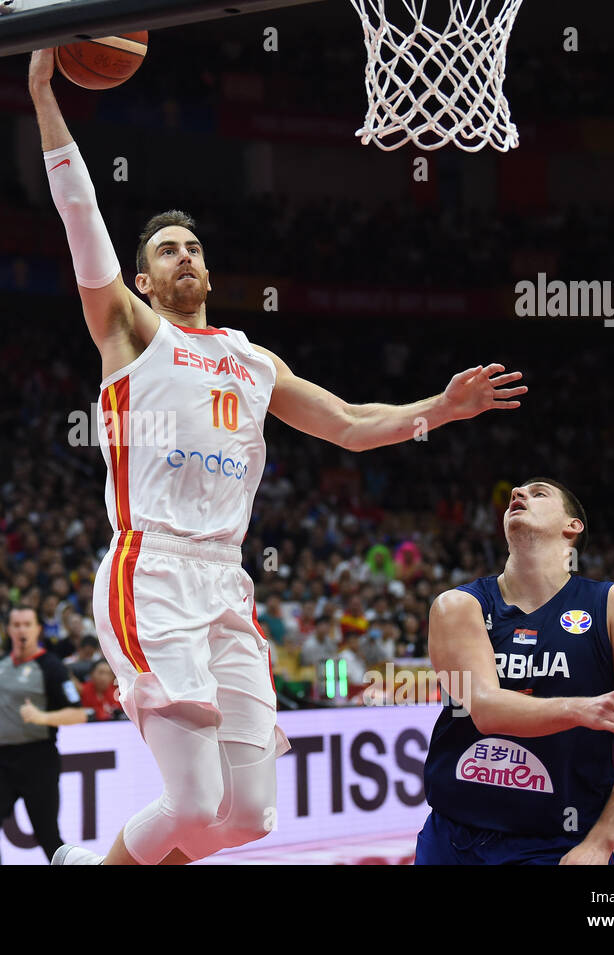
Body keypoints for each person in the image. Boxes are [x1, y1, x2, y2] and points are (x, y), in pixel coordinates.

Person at [29, 49, 528, 866]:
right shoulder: (130, 333)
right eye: (166, 252)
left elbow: (353, 423)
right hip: (149, 569)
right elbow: (81, 218)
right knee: (192, 801)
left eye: (192, 247)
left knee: (249, 816)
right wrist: (47, 98)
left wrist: (439, 409)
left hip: (225, 579)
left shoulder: (256, 361)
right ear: (144, 282)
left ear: (209, 269)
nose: (183, 256)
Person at [416, 479, 614, 864]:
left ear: (573, 526)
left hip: (559, 844)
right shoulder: (458, 606)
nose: (518, 495)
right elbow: (486, 709)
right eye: (515, 493)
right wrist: (580, 709)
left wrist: (600, 844)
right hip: (452, 840)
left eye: (538, 493)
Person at [0, 605, 82, 865]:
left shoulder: (51, 667)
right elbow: (7, 706)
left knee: (48, 837)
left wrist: (42, 717)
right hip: (4, 760)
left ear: (37, 629)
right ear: (8, 629)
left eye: (27, 624)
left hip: (39, 760)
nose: (21, 630)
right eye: (16, 625)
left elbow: (78, 714)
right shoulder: (0, 666)